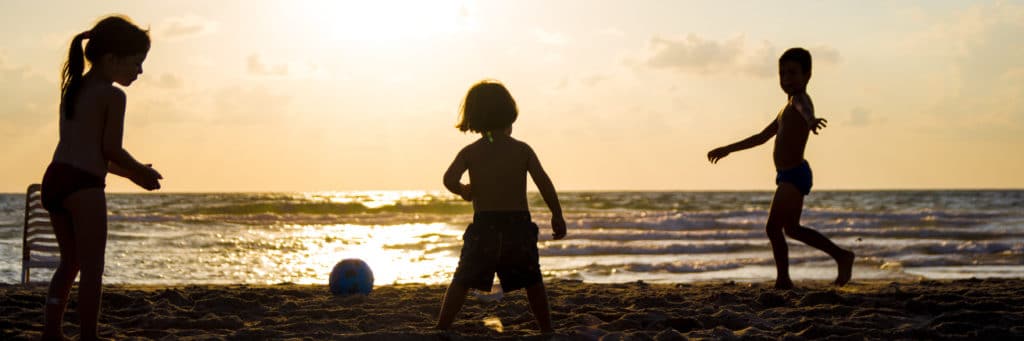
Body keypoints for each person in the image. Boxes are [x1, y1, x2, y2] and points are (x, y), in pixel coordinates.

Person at [40, 15, 163, 340]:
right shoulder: (113, 96)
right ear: (112, 59)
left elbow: (93, 154)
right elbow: (111, 148)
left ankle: (52, 332)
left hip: (56, 179)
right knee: (92, 267)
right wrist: (141, 169)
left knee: (70, 262)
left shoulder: (75, 87)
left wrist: (131, 177)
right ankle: (88, 336)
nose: (139, 72)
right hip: (83, 186)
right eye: (136, 64)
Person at [707, 47, 854, 289]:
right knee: (792, 229)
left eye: (793, 73)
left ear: (807, 75)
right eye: (782, 74)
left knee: (773, 227)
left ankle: (783, 280)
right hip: (787, 175)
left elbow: (805, 110)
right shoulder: (784, 108)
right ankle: (841, 256)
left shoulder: (799, 101)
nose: (787, 79)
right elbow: (761, 137)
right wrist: (728, 149)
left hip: (794, 174)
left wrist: (811, 121)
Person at [436, 80, 567, 332]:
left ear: (473, 116)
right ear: (509, 113)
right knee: (532, 280)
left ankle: (442, 327)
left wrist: (464, 190)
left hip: (484, 225)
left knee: (462, 279)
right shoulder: (522, 150)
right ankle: (547, 329)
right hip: (517, 225)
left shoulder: (471, 152)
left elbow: (449, 179)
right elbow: (544, 182)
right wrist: (556, 214)